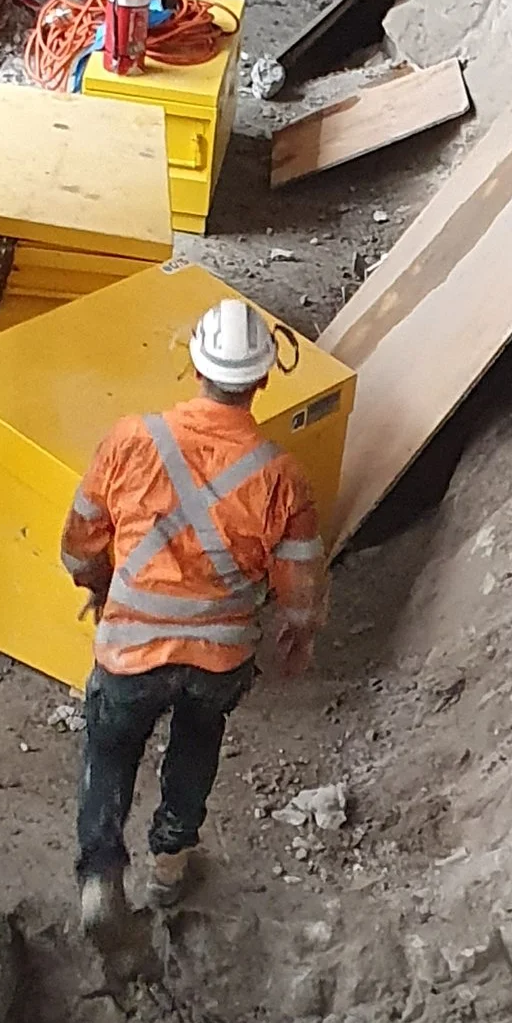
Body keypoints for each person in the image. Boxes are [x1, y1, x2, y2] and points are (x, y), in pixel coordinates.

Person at [58, 296, 326, 945]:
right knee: (197, 741)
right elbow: (299, 589)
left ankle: (100, 873)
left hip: (131, 651)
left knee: (111, 745)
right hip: (220, 659)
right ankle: (169, 867)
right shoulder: (282, 478)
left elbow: (78, 543)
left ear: (195, 367)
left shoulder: (130, 439)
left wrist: (97, 584)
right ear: (263, 379)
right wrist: (298, 633)